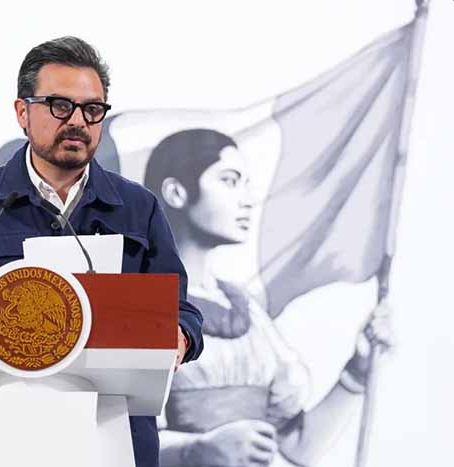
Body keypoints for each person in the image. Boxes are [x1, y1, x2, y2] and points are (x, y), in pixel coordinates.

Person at [0, 36, 204, 467]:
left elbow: (181, 310)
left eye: (92, 109)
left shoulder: (138, 208)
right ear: (22, 112)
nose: (78, 121)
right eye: (60, 106)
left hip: (113, 441)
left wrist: (179, 336)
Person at [143, 129, 393, 467]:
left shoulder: (246, 311)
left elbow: (298, 445)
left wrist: (357, 370)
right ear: (176, 192)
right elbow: (114, 443)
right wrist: (194, 449)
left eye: (246, 184)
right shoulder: (139, 303)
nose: (247, 200)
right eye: (229, 181)